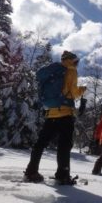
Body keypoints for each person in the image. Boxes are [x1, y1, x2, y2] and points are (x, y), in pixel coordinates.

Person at [24, 50, 86, 184]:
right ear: (72, 60)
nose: (77, 63)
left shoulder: (54, 69)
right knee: (64, 145)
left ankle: (31, 171)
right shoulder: (71, 70)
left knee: (40, 144)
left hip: (51, 113)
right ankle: (63, 175)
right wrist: (82, 90)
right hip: (65, 113)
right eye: (76, 61)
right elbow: (73, 92)